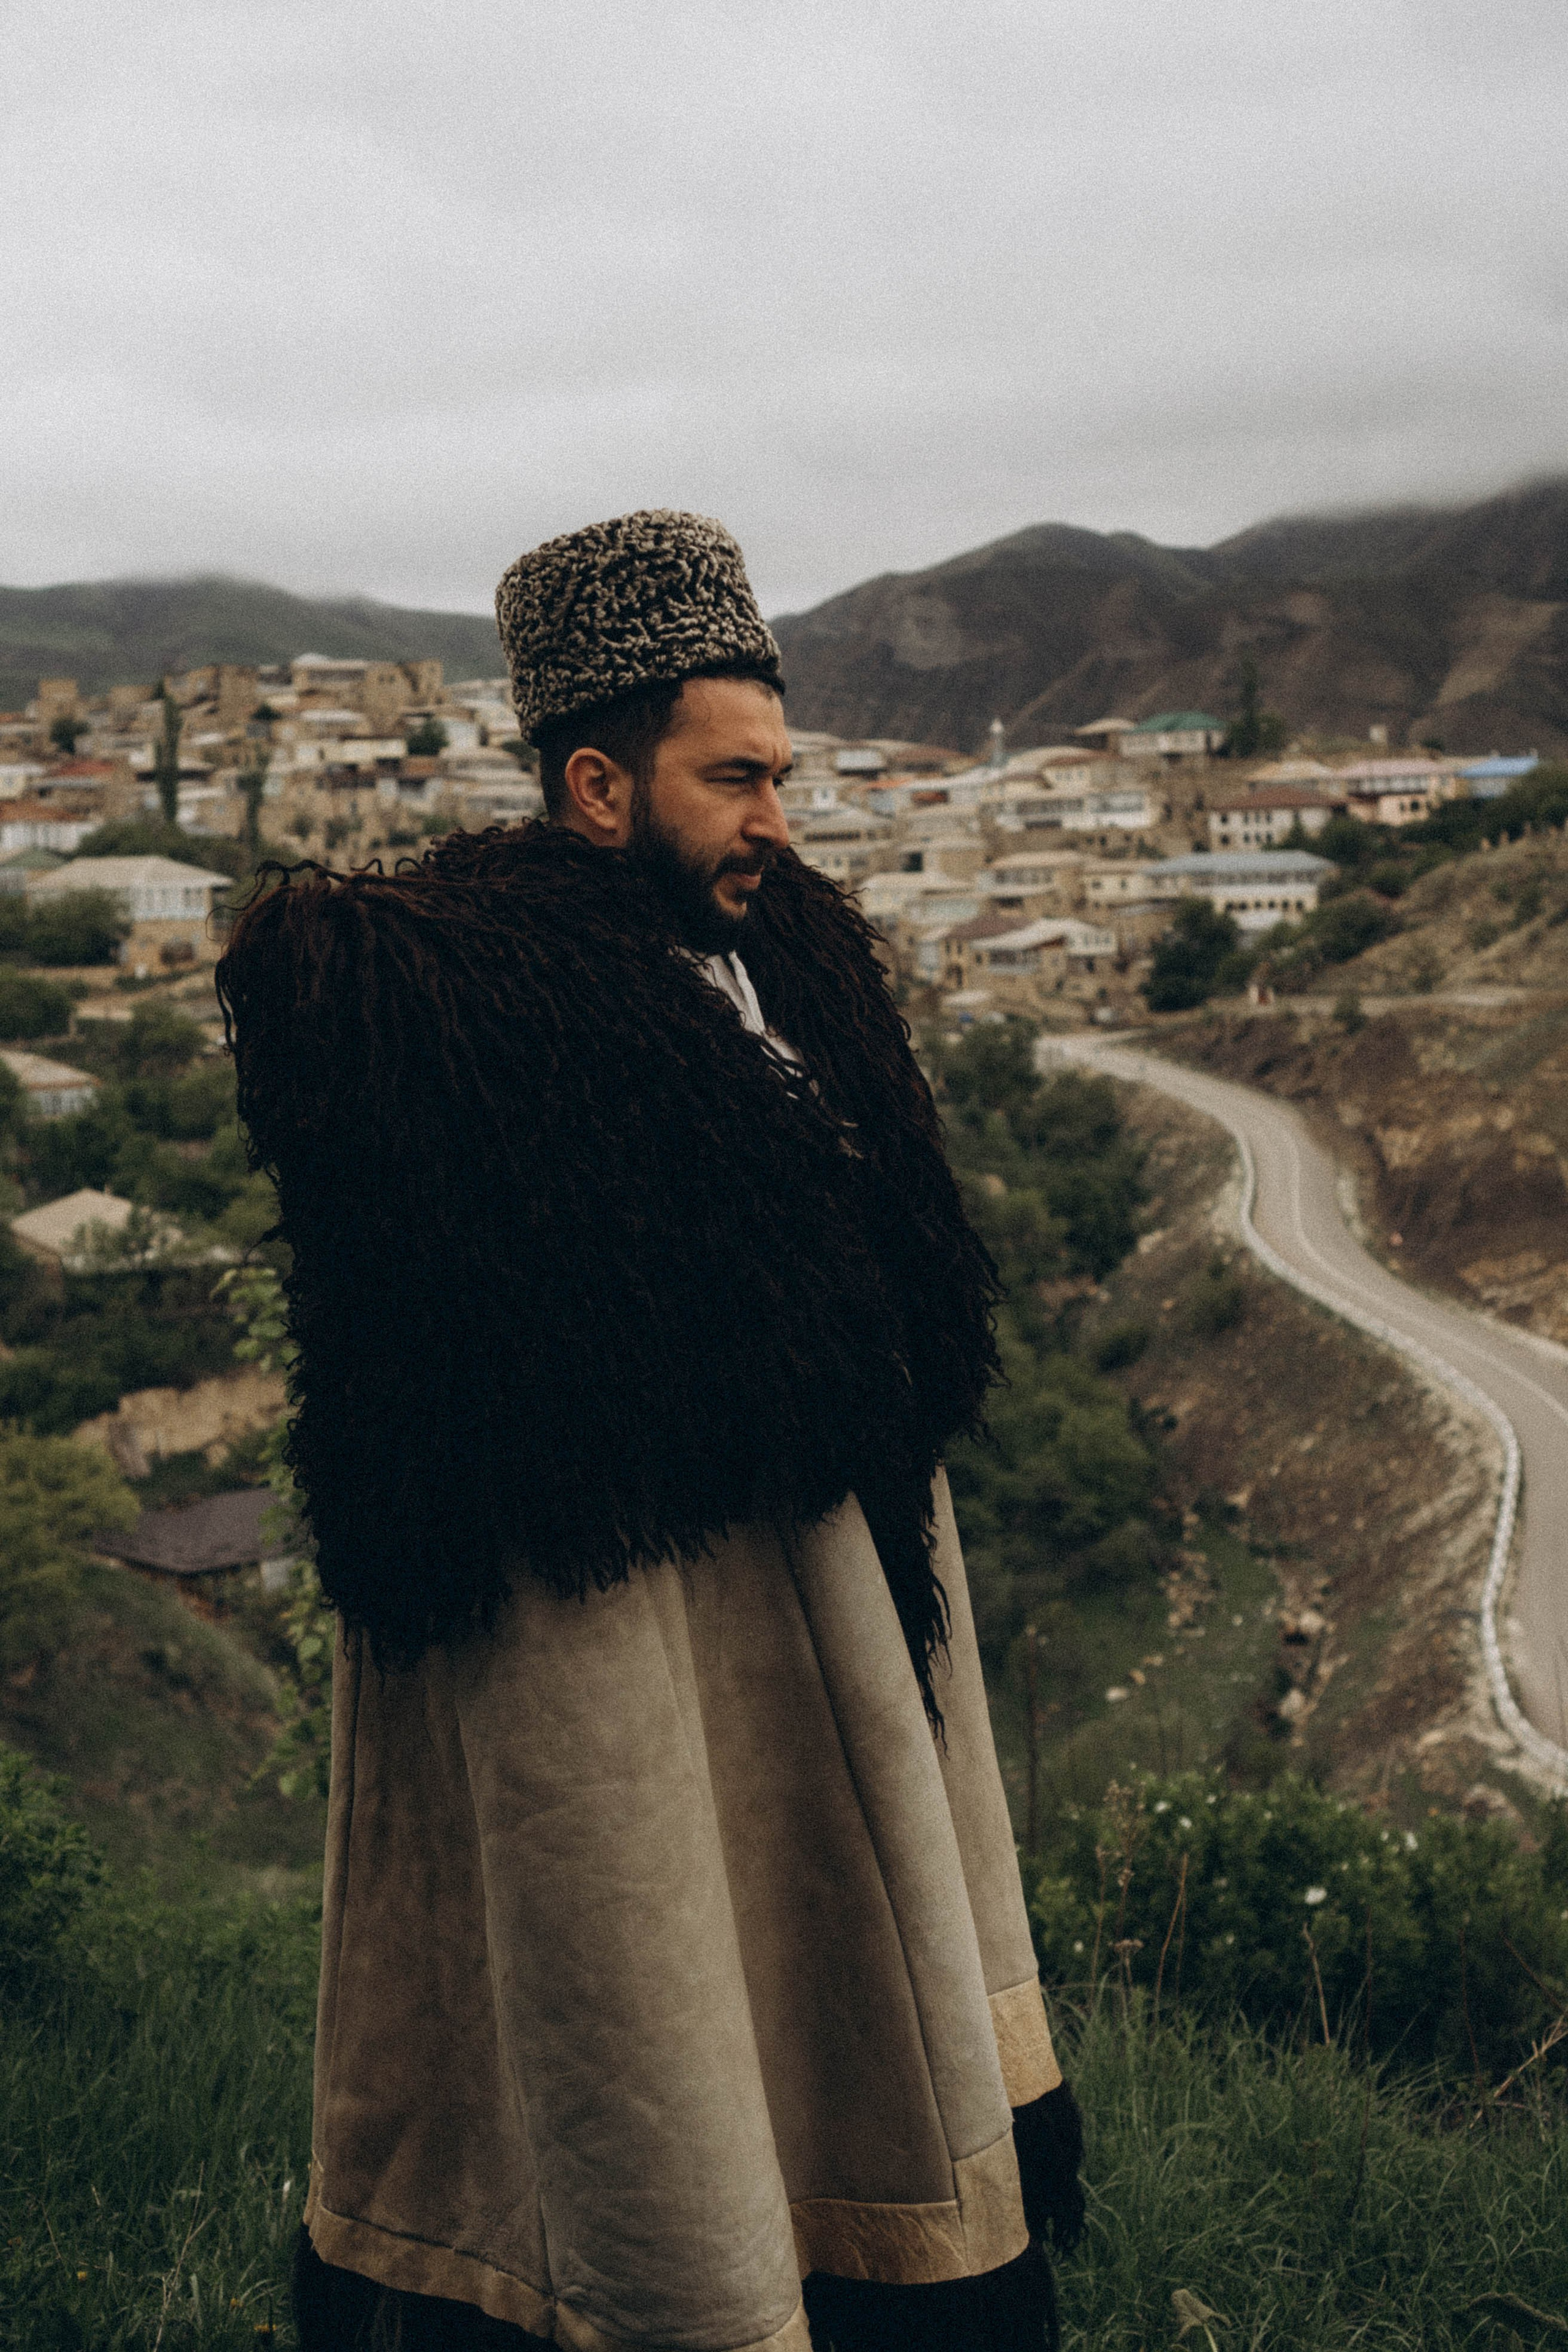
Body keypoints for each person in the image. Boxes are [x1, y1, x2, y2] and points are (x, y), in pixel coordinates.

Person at [217, 510, 1084, 2352]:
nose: (779, 819)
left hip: (821, 1604)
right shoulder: (449, 1010)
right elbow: (500, 1341)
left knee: (823, 1999)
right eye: (736, 779)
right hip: (622, 1649)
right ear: (599, 788)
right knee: (638, 2007)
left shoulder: (794, 961)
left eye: (784, 774)